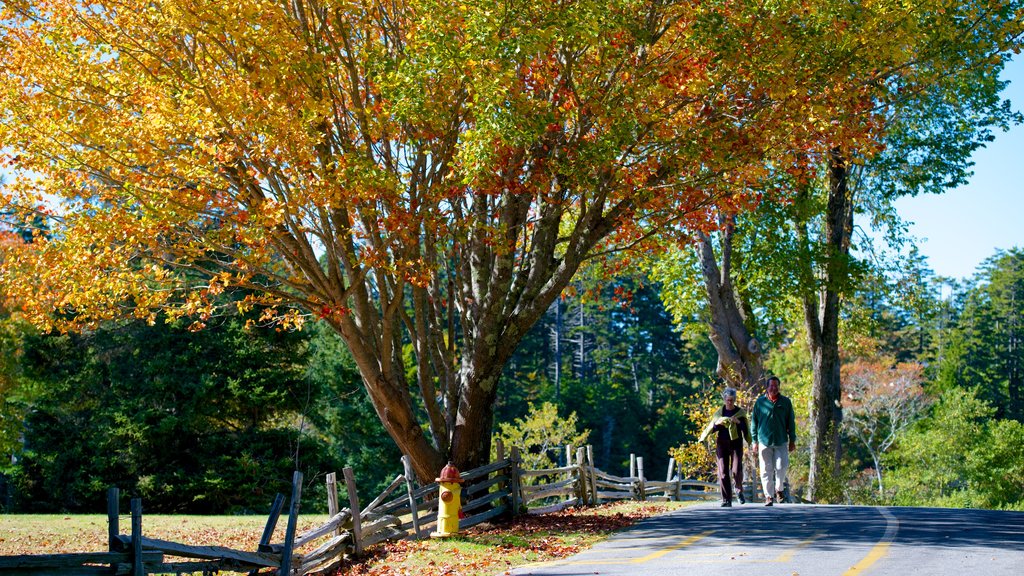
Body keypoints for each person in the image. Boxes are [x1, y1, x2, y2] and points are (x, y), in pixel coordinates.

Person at [698, 387, 751, 507]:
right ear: (724, 400)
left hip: (736, 443)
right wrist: (719, 423)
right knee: (723, 472)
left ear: (735, 400)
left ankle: (738, 489)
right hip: (722, 443)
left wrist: (738, 422)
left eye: (732, 400)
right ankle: (726, 500)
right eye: (728, 400)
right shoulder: (719, 413)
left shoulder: (740, 412)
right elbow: (712, 428)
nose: (730, 402)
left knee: (736, 470)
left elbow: (745, 429)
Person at [751, 375, 796, 506]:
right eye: (771, 385)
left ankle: (779, 489)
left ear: (779, 387)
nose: (774, 388)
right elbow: (754, 422)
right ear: (767, 387)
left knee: (781, 467)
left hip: (781, 440)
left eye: (776, 386)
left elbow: (791, 423)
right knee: (766, 470)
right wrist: (754, 441)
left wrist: (792, 440)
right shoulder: (760, 402)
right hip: (764, 441)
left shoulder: (786, 402)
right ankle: (769, 496)